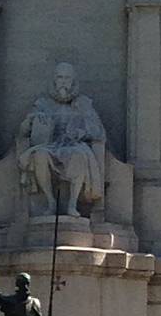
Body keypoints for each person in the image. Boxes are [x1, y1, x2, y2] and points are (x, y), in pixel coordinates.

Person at [17, 62, 106, 217]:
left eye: (67, 78)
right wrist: (32, 120)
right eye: (60, 77)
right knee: (40, 155)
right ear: (54, 80)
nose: (63, 81)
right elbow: (23, 133)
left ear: (73, 81)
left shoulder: (84, 103)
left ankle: (72, 204)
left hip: (73, 145)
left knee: (79, 155)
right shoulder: (42, 104)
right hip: (49, 145)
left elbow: (98, 132)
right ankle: (51, 202)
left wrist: (82, 132)